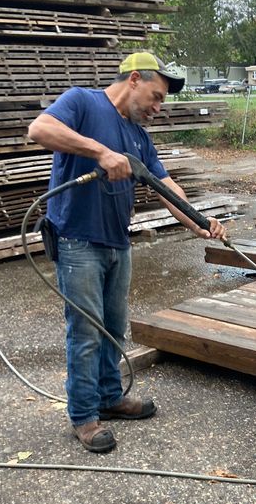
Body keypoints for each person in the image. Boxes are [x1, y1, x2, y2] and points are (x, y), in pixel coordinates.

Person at [28, 52, 227, 453]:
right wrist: (100, 153)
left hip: (118, 241)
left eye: (162, 102)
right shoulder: (83, 103)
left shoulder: (139, 137)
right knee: (86, 332)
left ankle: (109, 396)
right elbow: (39, 128)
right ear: (133, 79)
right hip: (77, 240)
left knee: (114, 328)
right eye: (155, 97)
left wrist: (201, 222)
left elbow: (166, 186)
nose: (157, 108)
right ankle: (84, 416)